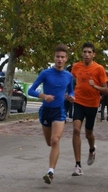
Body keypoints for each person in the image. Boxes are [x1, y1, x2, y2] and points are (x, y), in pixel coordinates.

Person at [28, 44, 74, 184]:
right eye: (57, 57)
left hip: (59, 111)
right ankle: (51, 168)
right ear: (54, 58)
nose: (60, 59)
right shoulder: (45, 73)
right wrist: (43, 95)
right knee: (49, 142)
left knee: (55, 140)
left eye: (62, 57)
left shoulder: (69, 76)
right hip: (46, 111)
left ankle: (50, 171)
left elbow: (71, 90)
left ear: (66, 59)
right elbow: (30, 90)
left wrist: (71, 96)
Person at [71, 42, 108, 176]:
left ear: (93, 54)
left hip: (92, 104)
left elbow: (106, 89)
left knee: (88, 134)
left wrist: (96, 87)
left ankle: (92, 149)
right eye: (84, 52)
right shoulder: (76, 67)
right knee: (76, 130)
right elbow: (71, 81)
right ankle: (78, 165)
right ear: (82, 53)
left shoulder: (99, 69)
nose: (86, 54)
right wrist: (69, 94)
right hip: (79, 102)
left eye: (89, 52)